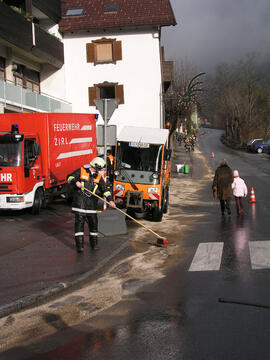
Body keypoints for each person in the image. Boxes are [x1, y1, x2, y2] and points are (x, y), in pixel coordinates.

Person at [67, 157, 116, 253]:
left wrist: (110, 200)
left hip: (92, 204)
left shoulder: (98, 177)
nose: (99, 171)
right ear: (94, 166)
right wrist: (75, 182)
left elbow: (105, 190)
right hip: (80, 203)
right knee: (79, 226)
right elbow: (69, 177)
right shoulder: (81, 171)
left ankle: (94, 245)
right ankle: (80, 247)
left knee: (93, 225)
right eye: (99, 169)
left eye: (100, 169)